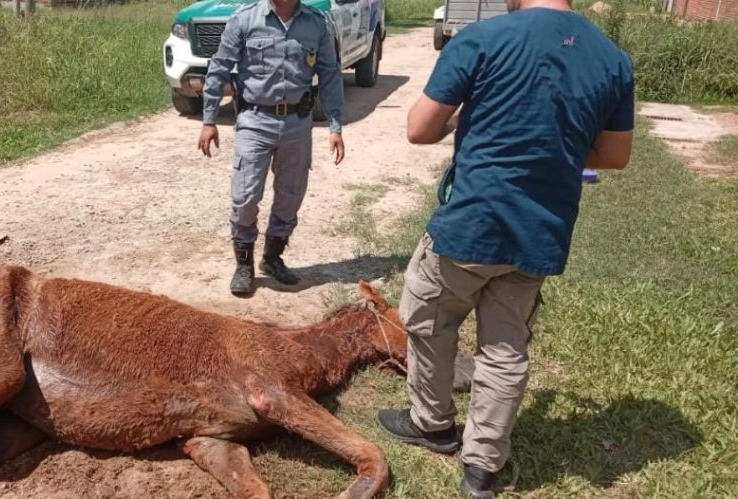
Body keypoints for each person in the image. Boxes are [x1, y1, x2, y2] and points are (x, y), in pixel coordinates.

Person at [374, 0, 634, 496]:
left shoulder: (483, 39)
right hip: (540, 231)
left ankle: (433, 424)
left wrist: (464, 123)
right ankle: (482, 468)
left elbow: (419, 129)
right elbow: (616, 156)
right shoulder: (611, 57)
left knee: (430, 320)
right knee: (505, 348)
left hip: (470, 225)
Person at [198, 0, 345, 297]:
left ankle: (273, 257)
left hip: (298, 122)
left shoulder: (317, 23)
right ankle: (244, 265)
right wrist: (209, 119)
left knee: (291, 195)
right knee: (245, 195)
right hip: (255, 120)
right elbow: (220, 67)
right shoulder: (244, 19)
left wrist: (335, 125)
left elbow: (330, 73)